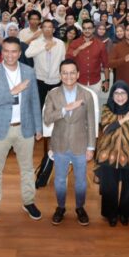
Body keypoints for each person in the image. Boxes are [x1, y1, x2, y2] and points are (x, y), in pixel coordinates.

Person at [0, 37, 43, 224]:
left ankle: (29, 201)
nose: (10, 55)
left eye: (14, 51)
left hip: (25, 128)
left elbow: (34, 101)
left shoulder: (29, 72)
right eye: (6, 51)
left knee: (27, 169)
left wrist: (38, 127)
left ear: (19, 53)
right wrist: (12, 93)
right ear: (2, 53)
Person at [43, 59, 96, 226]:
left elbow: (91, 122)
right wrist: (66, 109)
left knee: (81, 181)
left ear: (78, 74)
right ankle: (60, 207)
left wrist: (91, 147)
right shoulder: (52, 94)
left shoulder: (87, 95)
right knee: (59, 180)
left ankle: (80, 207)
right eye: (65, 73)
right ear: (60, 75)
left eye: (72, 72)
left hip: (81, 144)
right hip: (59, 144)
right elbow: (47, 119)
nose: (69, 76)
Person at [95, 80, 129, 227]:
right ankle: (111, 214)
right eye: (116, 93)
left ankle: (125, 213)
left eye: (123, 93)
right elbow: (107, 128)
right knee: (109, 187)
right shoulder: (107, 109)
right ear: (112, 95)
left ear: (128, 94)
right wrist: (126, 118)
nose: (119, 97)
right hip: (108, 154)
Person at [25, 19, 66, 109]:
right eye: (45, 27)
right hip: (40, 78)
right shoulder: (35, 42)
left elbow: (63, 60)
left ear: (53, 30)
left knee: (56, 106)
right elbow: (27, 54)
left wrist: (62, 76)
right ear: (42, 29)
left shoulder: (60, 43)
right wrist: (44, 47)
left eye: (50, 27)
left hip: (56, 79)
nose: (47, 29)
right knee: (39, 105)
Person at [66, 19, 110, 100]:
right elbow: (68, 58)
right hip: (79, 82)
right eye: (85, 28)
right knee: (79, 106)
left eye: (89, 28)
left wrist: (107, 81)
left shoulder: (100, 44)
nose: (87, 30)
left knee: (94, 105)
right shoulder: (75, 43)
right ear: (82, 29)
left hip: (95, 82)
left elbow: (106, 64)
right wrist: (80, 48)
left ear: (93, 29)